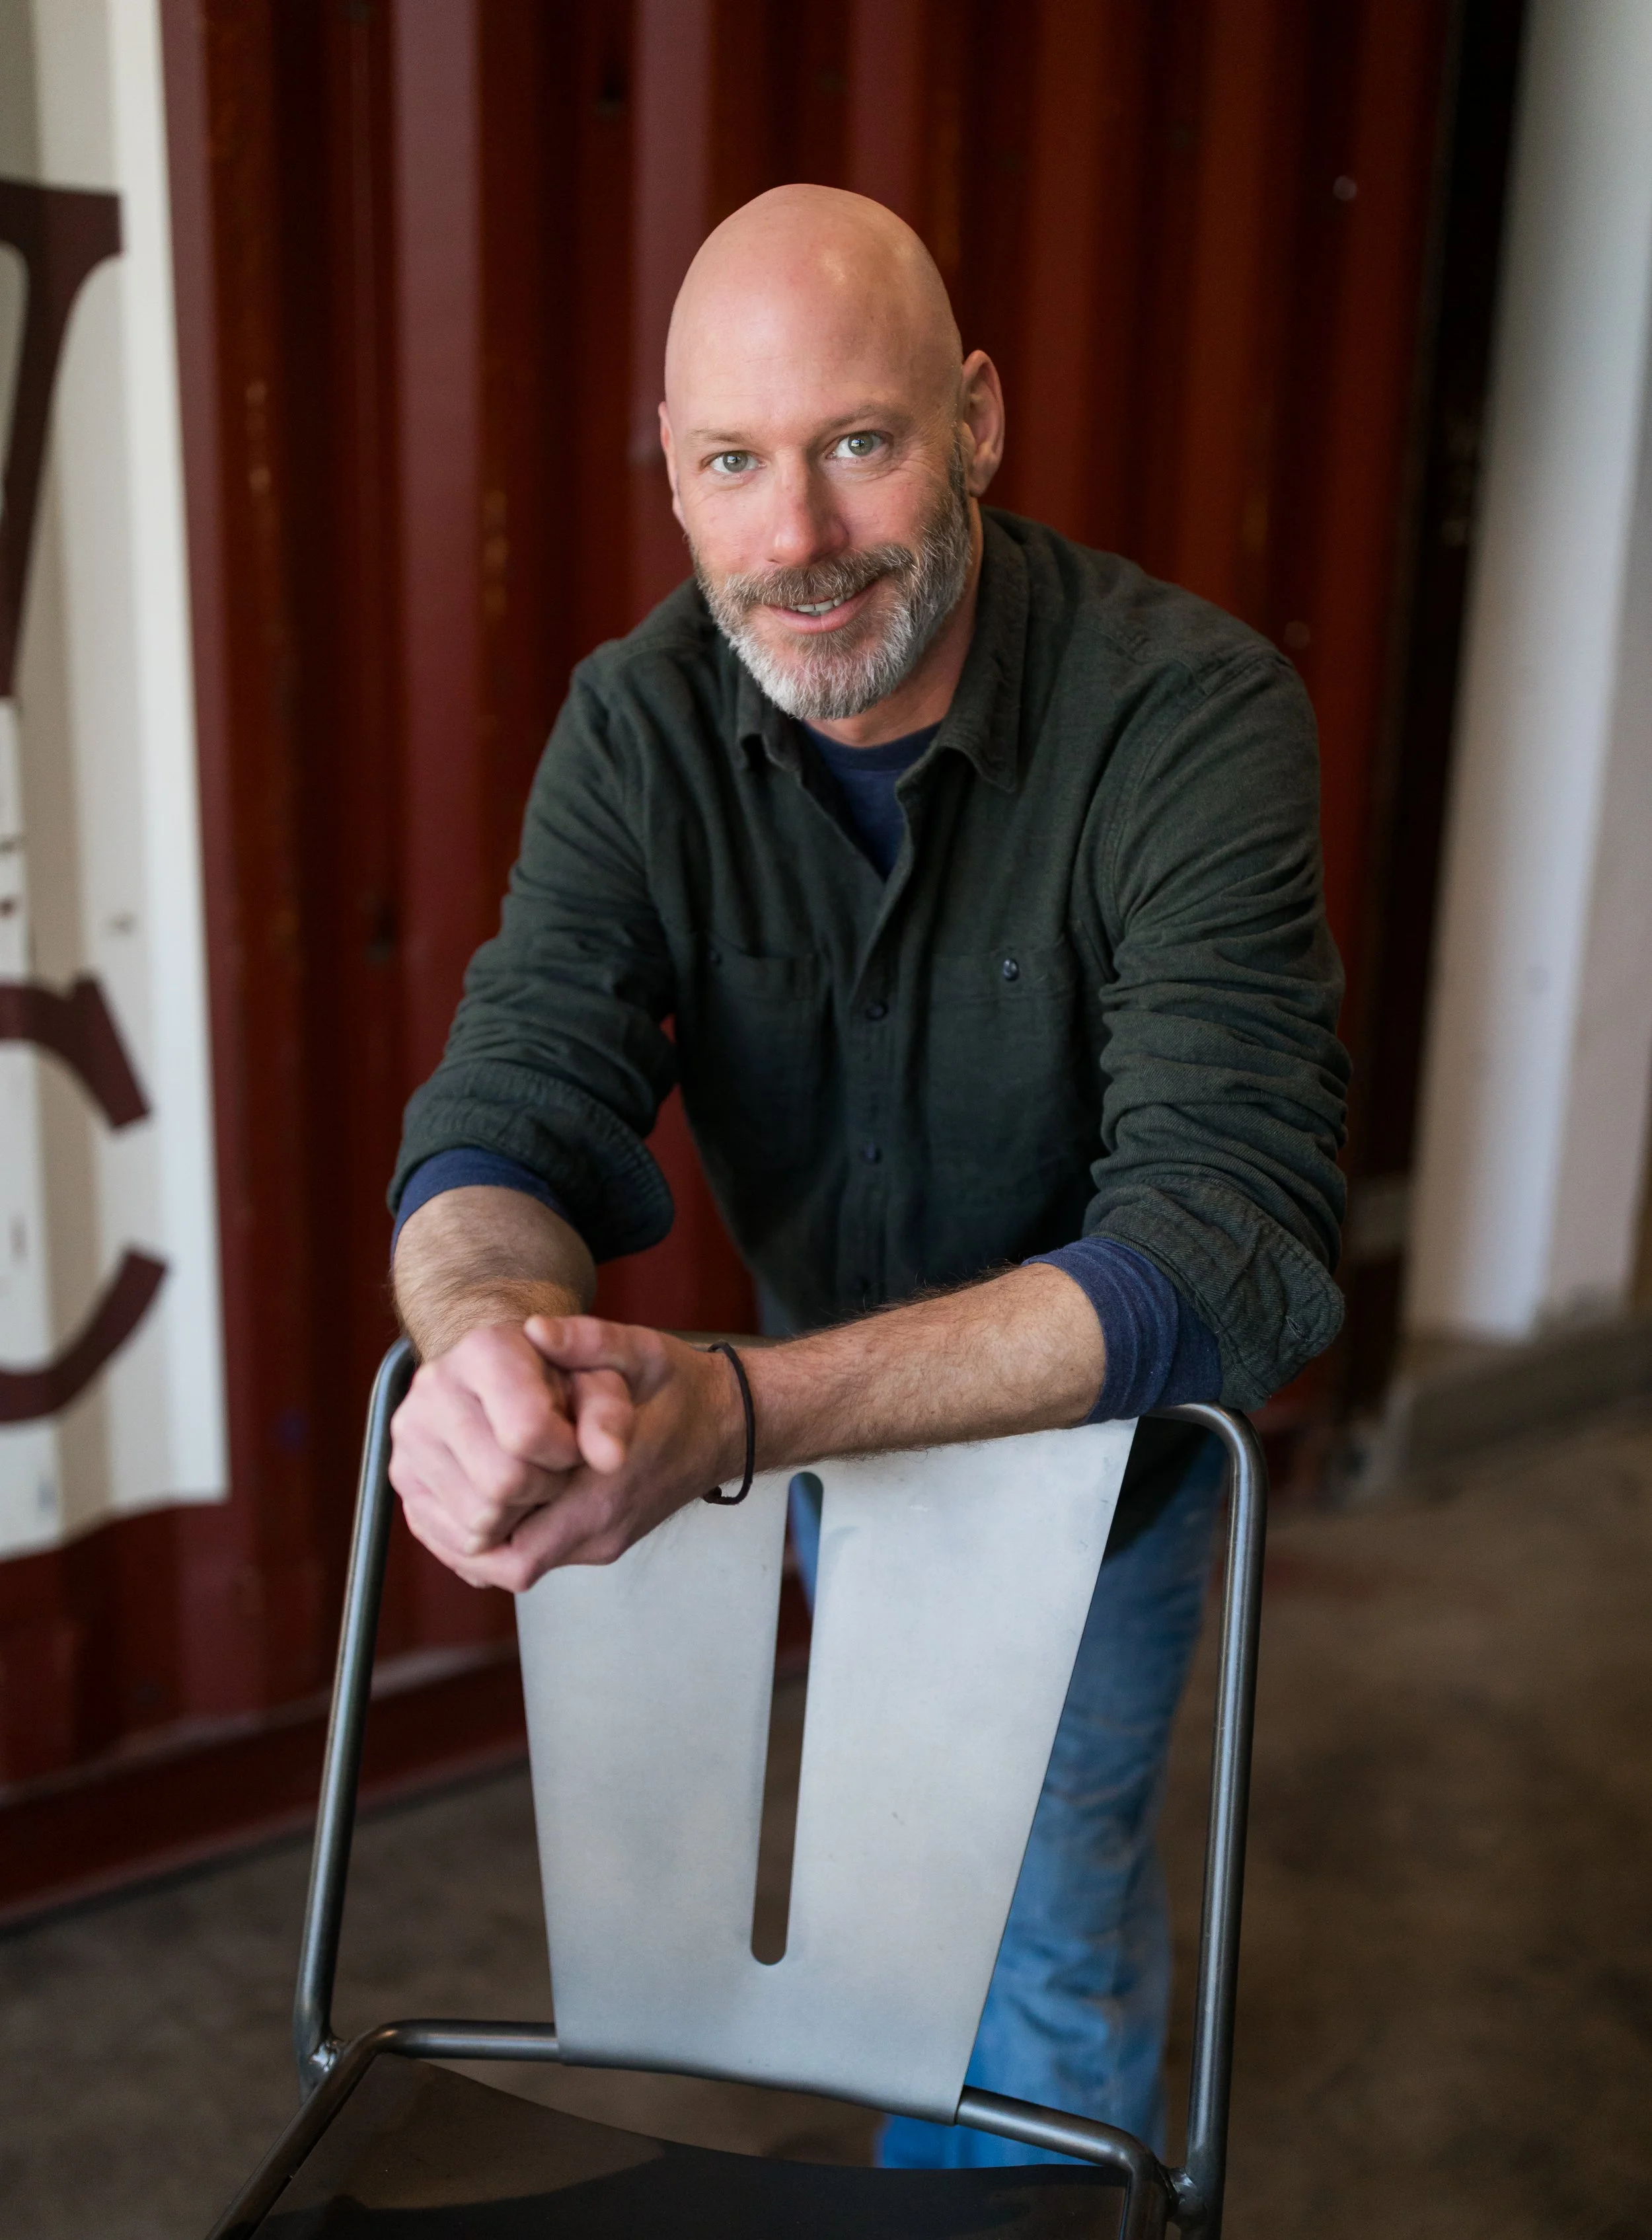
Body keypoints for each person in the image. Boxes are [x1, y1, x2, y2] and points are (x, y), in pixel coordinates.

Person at [387, 183, 1347, 2163]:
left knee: (1045, 1933)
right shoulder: (635, 722)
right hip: (810, 1447)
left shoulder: (1188, 712)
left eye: (858, 445)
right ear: (671, 473)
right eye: (735, 462)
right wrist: (476, 1338)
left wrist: (739, 1405)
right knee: (918, 1901)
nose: (798, 538)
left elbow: (1228, 1236)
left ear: (975, 419)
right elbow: (512, 1099)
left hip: (1098, 1478)